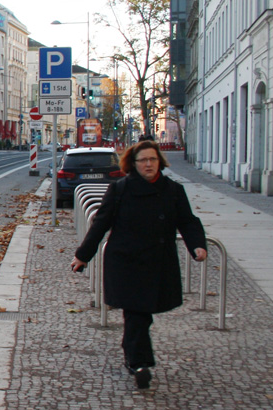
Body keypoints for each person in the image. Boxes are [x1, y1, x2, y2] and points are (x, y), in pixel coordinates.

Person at [69, 140, 206, 389]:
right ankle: (140, 362)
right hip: (126, 262)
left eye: (152, 159)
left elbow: (187, 221)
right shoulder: (120, 190)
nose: (148, 164)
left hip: (159, 261)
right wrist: (82, 256)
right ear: (133, 164)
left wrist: (197, 245)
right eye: (143, 160)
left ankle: (133, 355)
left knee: (142, 314)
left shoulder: (173, 190)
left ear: (160, 162)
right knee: (137, 314)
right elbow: (100, 224)